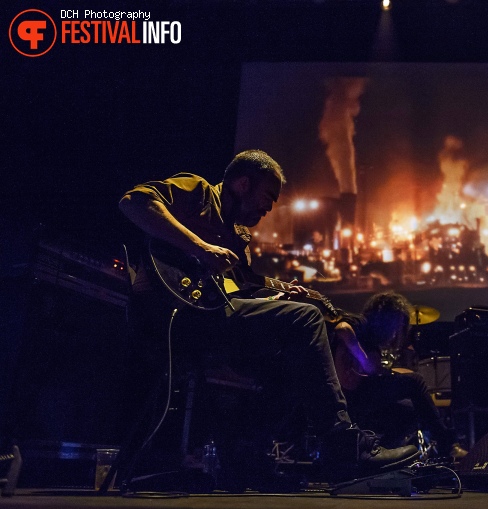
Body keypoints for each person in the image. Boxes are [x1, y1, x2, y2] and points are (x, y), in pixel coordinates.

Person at [118, 150, 418, 484]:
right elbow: (133, 202)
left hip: (213, 320)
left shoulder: (239, 240)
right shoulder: (199, 191)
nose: (270, 208)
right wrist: (201, 248)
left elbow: (237, 293)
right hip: (175, 316)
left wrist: (276, 297)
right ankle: (345, 447)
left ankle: (247, 459)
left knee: (294, 351)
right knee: (303, 320)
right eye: (267, 197)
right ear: (243, 184)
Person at [330, 292, 467, 460]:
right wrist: (364, 360)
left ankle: (378, 452)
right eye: (395, 324)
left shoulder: (373, 343)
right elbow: (342, 329)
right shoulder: (362, 322)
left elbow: (374, 374)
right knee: (415, 382)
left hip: (362, 396)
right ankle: (447, 445)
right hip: (350, 395)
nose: (395, 332)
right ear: (386, 317)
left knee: (411, 409)